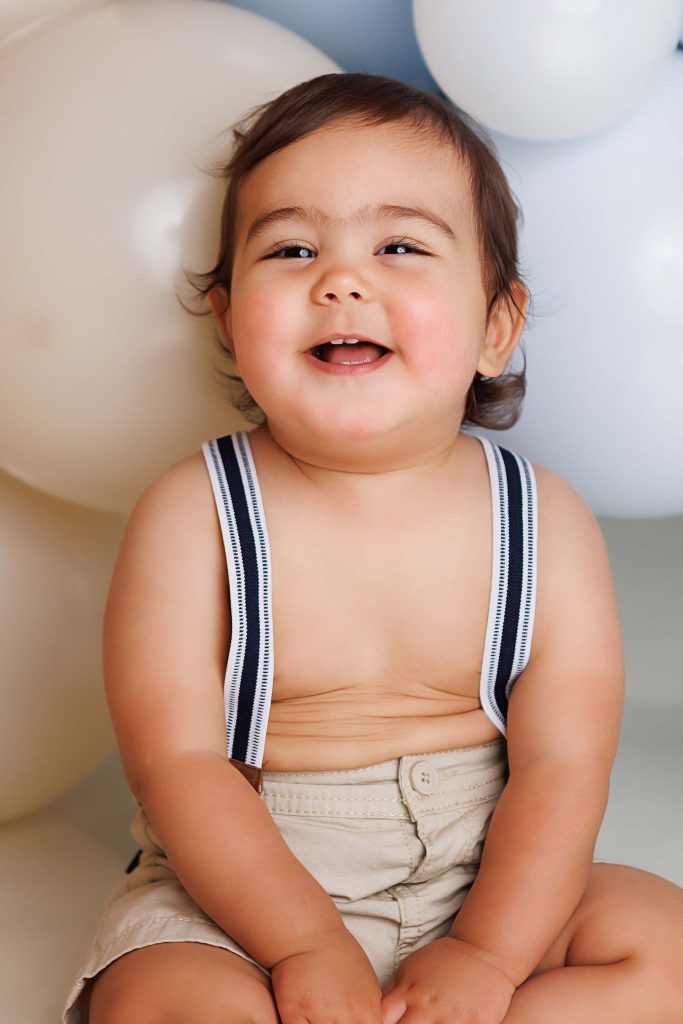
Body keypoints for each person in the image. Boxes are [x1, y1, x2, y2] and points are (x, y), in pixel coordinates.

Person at [63, 73, 682, 1024]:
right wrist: (302, 942)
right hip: (243, 886)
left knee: (664, 944)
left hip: (485, 878)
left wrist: (485, 953)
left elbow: (563, 763)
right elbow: (178, 763)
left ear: (495, 326)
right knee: (157, 998)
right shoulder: (195, 512)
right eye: (293, 247)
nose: (340, 279)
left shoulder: (541, 519)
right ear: (229, 320)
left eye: (398, 245)